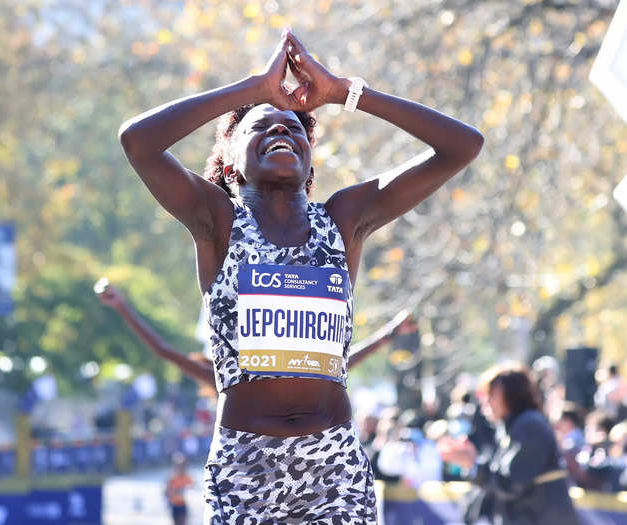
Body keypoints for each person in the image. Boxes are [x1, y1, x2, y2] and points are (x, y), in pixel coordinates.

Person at [118, 30, 483, 522]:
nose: (280, 132)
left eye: (294, 129)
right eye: (261, 126)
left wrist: (344, 93)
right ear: (229, 161)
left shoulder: (345, 219)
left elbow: (462, 146)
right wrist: (250, 90)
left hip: (335, 464)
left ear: (311, 158)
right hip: (247, 465)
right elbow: (138, 142)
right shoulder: (216, 219)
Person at [95, 278, 412, 392]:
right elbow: (164, 350)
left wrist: (387, 335)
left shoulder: (282, 361)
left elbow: (338, 365)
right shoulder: (219, 376)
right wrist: (122, 308)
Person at [439, 364, 579, 525]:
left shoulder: (530, 425)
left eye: (490, 395)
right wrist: (472, 463)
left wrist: (473, 464)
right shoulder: (513, 427)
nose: (485, 402)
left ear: (512, 395)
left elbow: (512, 484)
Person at [165, 452, 193, 525]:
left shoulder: (187, 477)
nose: (181, 468)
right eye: (179, 466)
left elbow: (192, 490)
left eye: (183, 466)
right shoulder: (172, 478)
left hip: (183, 505)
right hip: (174, 505)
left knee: (183, 522)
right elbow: (167, 492)